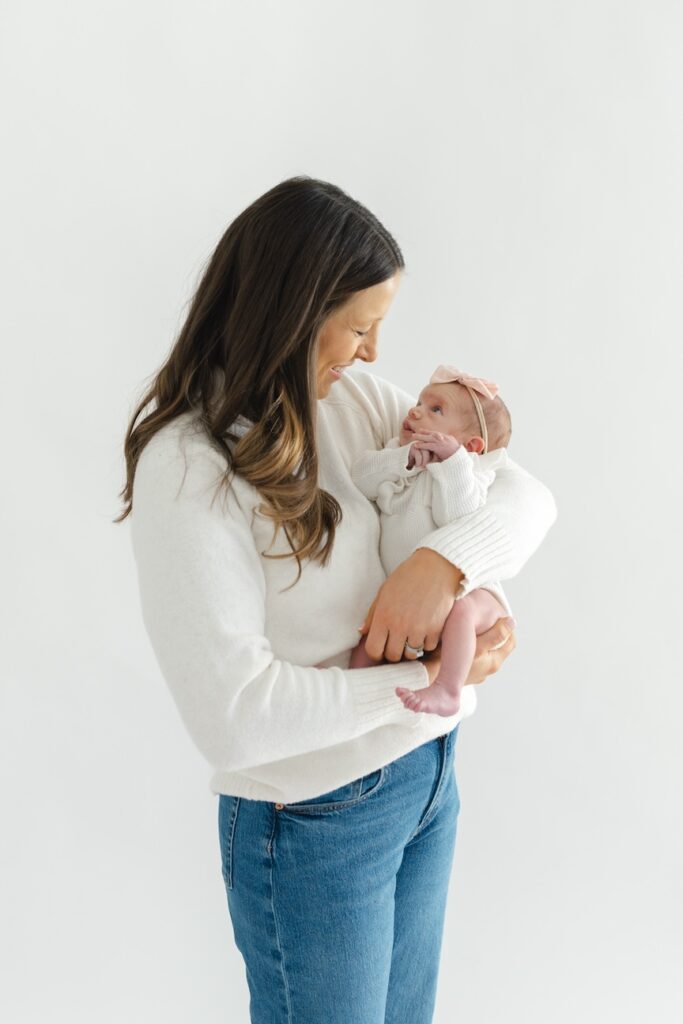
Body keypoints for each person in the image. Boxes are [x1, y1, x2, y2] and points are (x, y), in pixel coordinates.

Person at [117, 175, 557, 1024]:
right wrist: (431, 674)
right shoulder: (188, 463)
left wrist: (444, 565)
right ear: (290, 311)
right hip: (316, 819)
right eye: (358, 326)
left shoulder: (348, 401)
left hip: (424, 778)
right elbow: (236, 716)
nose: (371, 354)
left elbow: (522, 493)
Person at [348, 363, 514, 718]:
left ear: (470, 446)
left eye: (435, 409)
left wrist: (452, 464)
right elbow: (360, 479)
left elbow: (460, 520)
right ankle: (350, 693)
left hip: (471, 593)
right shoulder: (399, 455)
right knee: (366, 641)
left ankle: (448, 689)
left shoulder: (472, 477)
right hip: (413, 608)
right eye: (421, 403)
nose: (415, 410)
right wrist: (402, 460)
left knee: (463, 612)